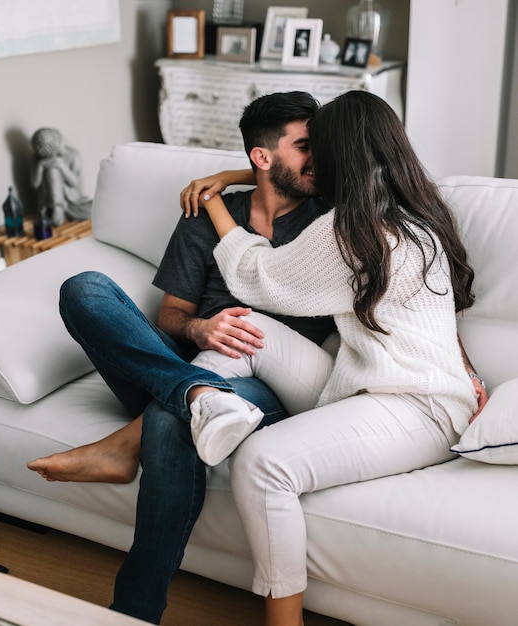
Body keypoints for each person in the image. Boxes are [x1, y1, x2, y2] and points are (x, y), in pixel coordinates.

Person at [27, 91, 337, 623]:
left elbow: (385, 184)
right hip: (182, 361)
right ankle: (191, 392)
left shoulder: (329, 215)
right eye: (305, 146)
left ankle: (134, 611)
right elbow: (171, 315)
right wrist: (199, 327)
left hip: (264, 385)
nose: (320, 159)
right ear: (265, 157)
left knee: (173, 426)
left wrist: (231, 173)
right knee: (84, 289)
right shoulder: (207, 215)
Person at [188, 90, 483, 626]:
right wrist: (240, 173)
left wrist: (215, 199)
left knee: (261, 462)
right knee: (244, 327)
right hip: (369, 383)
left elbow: (258, 276)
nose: (312, 161)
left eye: (316, 149)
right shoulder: (419, 208)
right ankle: (205, 401)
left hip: (419, 408)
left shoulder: (354, 229)